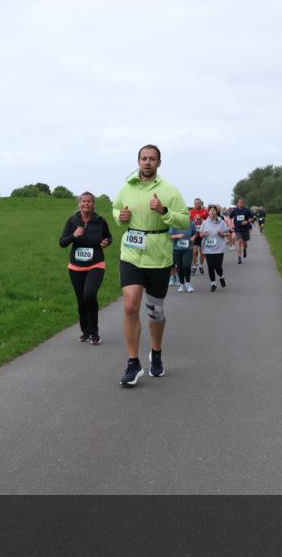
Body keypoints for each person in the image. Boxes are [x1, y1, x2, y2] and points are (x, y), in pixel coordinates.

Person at [112, 144, 190, 386]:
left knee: (155, 311)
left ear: (158, 163)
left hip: (158, 254)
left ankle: (156, 353)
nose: (147, 162)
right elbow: (116, 210)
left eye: (152, 159)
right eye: (143, 158)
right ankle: (133, 363)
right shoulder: (127, 188)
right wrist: (120, 218)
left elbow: (185, 220)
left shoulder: (170, 190)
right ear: (138, 161)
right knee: (130, 305)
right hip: (132, 252)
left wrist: (164, 210)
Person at [59, 191, 112, 344]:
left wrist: (107, 242)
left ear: (93, 204)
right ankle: (85, 332)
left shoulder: (100, 221)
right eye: (84, 201)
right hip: (76, 267)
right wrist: (73, 235)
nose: (86, 204)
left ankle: (94, 333)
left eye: (89, 201)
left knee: (89, 295)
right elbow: (62, 242)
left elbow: (108, 237)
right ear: (79, 203)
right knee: (81, 300)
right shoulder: (72, 221)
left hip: (96, 264)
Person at [198, 205, 229, 291]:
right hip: (208, 248)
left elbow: (227, 233)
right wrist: (203, 234)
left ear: (216, 212)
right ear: (208, 212)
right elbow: (200, 234)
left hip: (219, 248)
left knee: (218, 266)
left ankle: (221, 277)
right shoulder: (205, 223)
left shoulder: (221, 222)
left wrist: (222, 234)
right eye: (210, 210)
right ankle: (213, 284)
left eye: (214, 210)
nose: (212, 212)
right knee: (210, 267)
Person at [170, 216, 196, 293]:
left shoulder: (191, 224)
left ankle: (188, 283)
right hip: (177, 249)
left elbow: (195, 233)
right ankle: (182, 284)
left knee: (186, 266)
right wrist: (177, 236)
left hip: (188, 249)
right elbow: (169, 236)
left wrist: (193, 238)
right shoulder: (174, 224)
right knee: (179, 267)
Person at [229, 198, 254, 264]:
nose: (240, 204)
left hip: (245, 229)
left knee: (244, 243)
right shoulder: (235, 210)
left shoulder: (247, 210)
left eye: (241, 202)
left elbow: (252, 218)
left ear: (244, 203)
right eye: (239, 202)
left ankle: (244, 249)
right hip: (238, 229)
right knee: (239, 241)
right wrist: (231, 224)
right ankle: (239, 257)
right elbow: (229, 217)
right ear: (237, 203)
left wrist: (247, 221)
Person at [189, 198, 208, 275]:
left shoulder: (205, 211)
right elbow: (189, 222)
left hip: (202, 233)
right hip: (194, 233)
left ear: (201, 203)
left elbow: (208, 222)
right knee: (194, 252)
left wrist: (200, 218)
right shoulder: (191, 212)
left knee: (202, 251)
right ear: (194, 204)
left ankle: (200, 265)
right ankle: (194, 265)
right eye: (196, 203)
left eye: (198, 203)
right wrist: (194, 219)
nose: (197, 204)